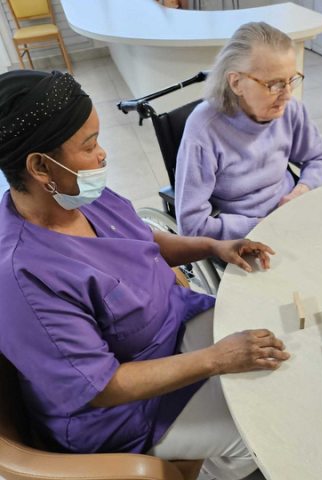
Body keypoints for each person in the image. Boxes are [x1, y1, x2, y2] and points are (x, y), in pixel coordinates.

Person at [0, 69, 290, 480]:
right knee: (263, 431)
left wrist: (211, 246)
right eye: (89, 145)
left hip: (173, 331)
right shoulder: (25, 277)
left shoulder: (78, 196)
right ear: (40, 167)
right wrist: (216, 359)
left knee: (278, 348)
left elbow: (141, 242)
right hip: (125, 411)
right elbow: (102, 387)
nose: (102, 155)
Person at [175, 22, 322, 240]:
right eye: (275, 84)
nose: (287, 95)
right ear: (236, 82)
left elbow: (319, 156)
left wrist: (301, 190)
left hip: (290, 212)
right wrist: (261, 226)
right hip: (241, 234)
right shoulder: (204, 130)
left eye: (291, 80)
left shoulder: (290, 109)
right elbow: (191, 225)